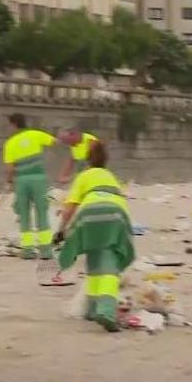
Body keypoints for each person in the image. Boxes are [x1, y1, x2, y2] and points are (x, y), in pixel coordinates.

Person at [52, 142, 135, 332]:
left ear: (87, 160)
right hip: (116, 214)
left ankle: (92, 308)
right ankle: (105, 310)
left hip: (89, 214)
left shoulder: (83, 176)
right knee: (109, 263)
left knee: (95, 257)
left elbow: (69, 207)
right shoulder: (111, 176)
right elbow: (119, 199)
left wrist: (61, 231)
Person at [3, 113, 57, 260]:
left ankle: (27, 250)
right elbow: (54, 142)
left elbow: (10, 168)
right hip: (38, 178)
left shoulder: (10, 143)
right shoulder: (36, 134)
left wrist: (9, 182)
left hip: (21, 181)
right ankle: (45, 250)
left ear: (14, 124)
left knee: (24, 215)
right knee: (42, 213)